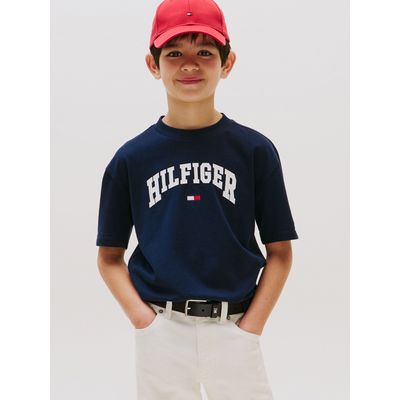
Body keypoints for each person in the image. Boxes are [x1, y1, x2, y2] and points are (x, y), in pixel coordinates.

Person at [96, 0, 299, 398]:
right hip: (162, 330)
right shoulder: (131, 158)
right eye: (174, 53)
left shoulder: (254, 151)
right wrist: (144, 321)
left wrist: (250, 327)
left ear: (227, 62)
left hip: (234, 327)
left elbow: (280, 251)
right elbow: (109, 257)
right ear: (153, 65)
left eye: (205, 52)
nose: (190, 65)